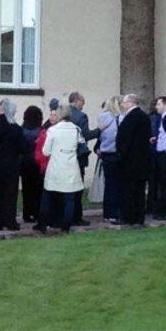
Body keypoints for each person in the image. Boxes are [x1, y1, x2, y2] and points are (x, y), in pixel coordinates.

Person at [35, 105, 85, 233]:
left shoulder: (53, 130)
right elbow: (81, 144)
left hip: (56, 166)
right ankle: (66, 226)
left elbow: (46, 151)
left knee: (48, 196)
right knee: (69, 198)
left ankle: (42, 224)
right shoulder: (76, 129)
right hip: (71, 166)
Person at [115, 94, 151, 225]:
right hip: (141, 159)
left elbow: (125, 139)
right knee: (139, 190)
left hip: (130, 160)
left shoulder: (131, 117)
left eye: (124, 102)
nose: (122, 105)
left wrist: (121, 154)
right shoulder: (144, 116)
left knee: (129, 189)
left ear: (130, 102)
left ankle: (129, 216)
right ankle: (138, 216)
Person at [66, 91, 99, 226]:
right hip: (78, 155)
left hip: (64, 155)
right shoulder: (81, 116)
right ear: (76, 101)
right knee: (77, 187)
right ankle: (76, 217)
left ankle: (65, 215)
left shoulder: (63, 113)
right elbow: (86, 135)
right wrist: (99, 130)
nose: (83, 105)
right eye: (82, 102)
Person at [0, 99, 25, 230]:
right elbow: (23, 147)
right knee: (10, 195)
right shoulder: (16, 129)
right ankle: (10, 221)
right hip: (12, 165)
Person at [95, 96, 122, 223]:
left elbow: (102, 136)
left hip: (105, 153)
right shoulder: (120, 118)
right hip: (115, 152)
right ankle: (115, 212)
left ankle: (108, 212)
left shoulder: (102, 117)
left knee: (109, 184)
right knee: (117, 184)